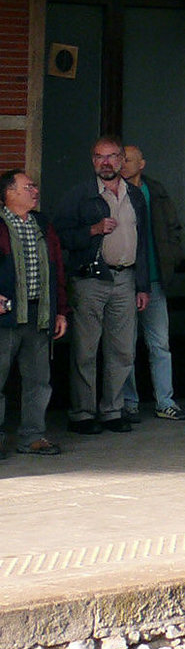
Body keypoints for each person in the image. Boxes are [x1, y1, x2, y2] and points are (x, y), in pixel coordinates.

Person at [51, 135, 154, 435]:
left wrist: (143, 285)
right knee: (85, 350)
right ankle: (82, 414)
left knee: (122, 350)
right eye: (99, 157)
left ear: (122, 160)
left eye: (111, 157)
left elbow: (144, 242)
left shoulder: (135, 196)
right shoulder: (79, 194)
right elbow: (58, 237)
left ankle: (112, 411)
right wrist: (93, 230)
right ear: (93, 161)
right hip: (89, 279)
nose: (106, 162)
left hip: (126, 278)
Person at [119, 145, 185, 421]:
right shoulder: (115, 192)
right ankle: (128, 402)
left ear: (142, 164)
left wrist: (170, 259)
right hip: (125, 280)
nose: (122, 164)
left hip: (154, 280)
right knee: (124, 345)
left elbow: (173, 228)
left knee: (160, 344)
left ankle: (165, 401)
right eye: (120, 159)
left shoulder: (156, 191)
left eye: (127, 160)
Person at [0, 171, 67, 456]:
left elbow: (57, 269)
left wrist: (61, 311)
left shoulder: (42, 223)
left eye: (35, 186)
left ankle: (33, 436)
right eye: (28, 187)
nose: (35, 191)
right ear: (9, 193)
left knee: (39, 381)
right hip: (5, 317)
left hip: (39, 314)